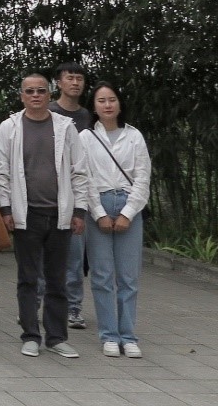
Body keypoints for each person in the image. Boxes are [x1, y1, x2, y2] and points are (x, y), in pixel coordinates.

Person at [0, 71, 91, 359]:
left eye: (41, 91)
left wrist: (79, 210)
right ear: (21, 96)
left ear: (49, 94)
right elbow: (0, 170)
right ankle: (31, 335)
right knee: (28, 278)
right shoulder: (10, 127)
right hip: (27, 214)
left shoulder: (65, 127)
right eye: (30, 91)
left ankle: (57, 337)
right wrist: (6, 209)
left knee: (57, 279)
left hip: (60, 213)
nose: (35, 95)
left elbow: (80, 171)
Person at [82, 82, 150, 359]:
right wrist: (98, 213)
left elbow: (143, 177)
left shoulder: (134, 136)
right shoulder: (85, 137)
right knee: (102, 276)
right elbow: (83, 177)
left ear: (120, 103)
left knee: (128, 277)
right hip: (97, 203)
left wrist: (127, 213)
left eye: (112, 99)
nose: (107, 105)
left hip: (128, 203)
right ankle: (109, 335)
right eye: (101, 100)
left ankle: (128, 336)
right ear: (94, 106)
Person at [51, 62, 92, 329]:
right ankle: (39, 304)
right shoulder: (48, 112)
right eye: (70, 78)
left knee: (75, 257)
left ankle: (74, 307)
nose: (75, 83)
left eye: (79, 78)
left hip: (78, 194)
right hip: (49, 194)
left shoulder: (89, 116)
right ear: (59, 82)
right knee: (44, 257)